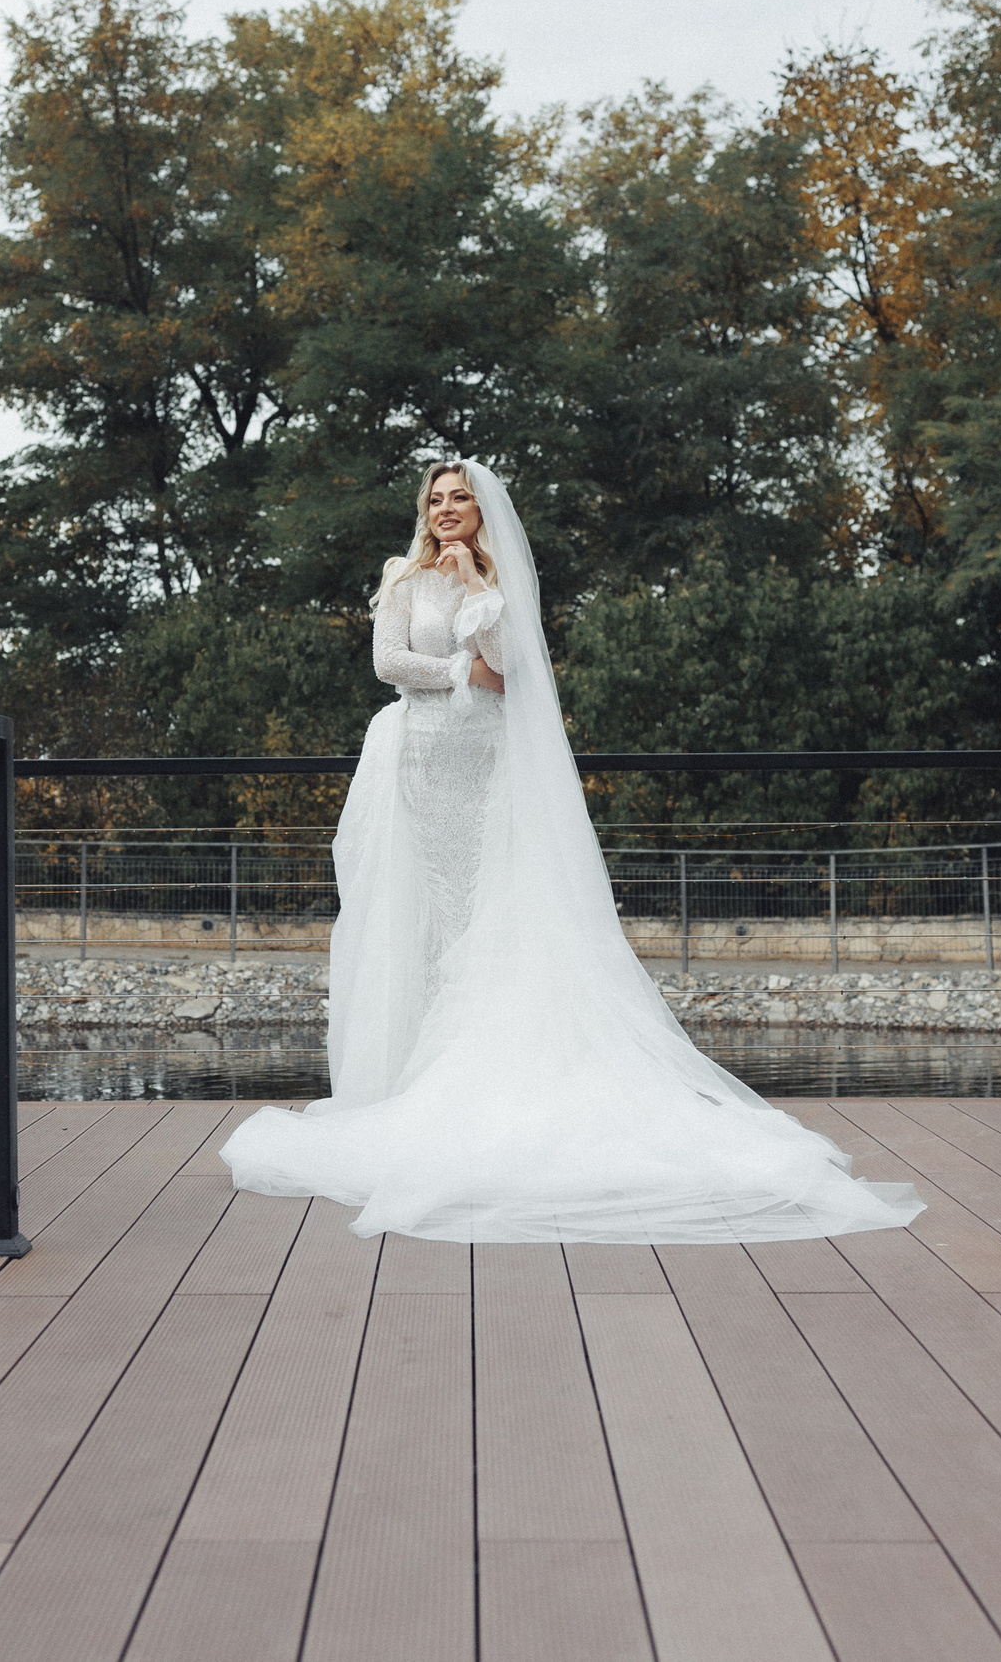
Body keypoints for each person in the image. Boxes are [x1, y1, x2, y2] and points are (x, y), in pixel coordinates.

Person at [220, 460, 925, 1243]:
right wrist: (459, 668)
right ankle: (407, 1076)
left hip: (488, 763)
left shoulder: (499, 583)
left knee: (490, 911)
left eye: (461, 499)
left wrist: (475, 593)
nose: (447, 509)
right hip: (419, 760)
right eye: (437, 499)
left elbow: (510, 667)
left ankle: (483, 1080)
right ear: (424, 510)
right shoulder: (401, 577)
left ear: (482, 512)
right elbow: (392, 663)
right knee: (424, 916)